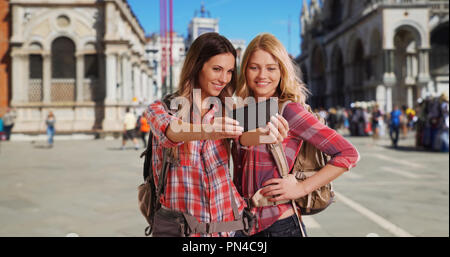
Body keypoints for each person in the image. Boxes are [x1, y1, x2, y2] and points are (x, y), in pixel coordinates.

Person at [144, 32, 281, 237]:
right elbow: (171, 132)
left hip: (229, 228)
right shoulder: (161, 108)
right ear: (197, 66)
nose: (224, 79)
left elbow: (243, 137)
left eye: (229, 71)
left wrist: (266, 135)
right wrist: (209, 130)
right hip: (181, 230)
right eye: (217, 69)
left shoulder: (227, 108)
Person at [233, 33, 360, 237]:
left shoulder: (289, 110)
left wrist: (301, 188)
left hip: (280, 225)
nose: (262, 75)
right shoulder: (245, 111)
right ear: (244, 70)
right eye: (254, 67)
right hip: (244, 224)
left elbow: (348, 153)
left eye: (271, 68)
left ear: (282, 71)